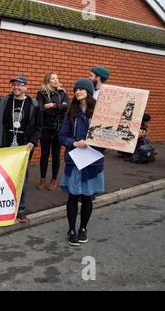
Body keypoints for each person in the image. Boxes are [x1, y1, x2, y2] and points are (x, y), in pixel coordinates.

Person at [59, 79, 105, 246]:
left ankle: (83, 228)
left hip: (93, 161)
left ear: (89, 91)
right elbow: (62, 136)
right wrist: (74, 142)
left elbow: (108, 137)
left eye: (81, 89)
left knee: (87, 197)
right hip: (75, 160)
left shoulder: (100, 113)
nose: (77, 91)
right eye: (76, 89)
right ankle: (71, 229)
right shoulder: (71, 113)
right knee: (73, 196)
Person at [0, 75, 41, 223]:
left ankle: (20, 209)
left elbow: (38, 127)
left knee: (22, 179)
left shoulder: (33, 105)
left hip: (23, 149)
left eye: (20, 85)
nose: (16, 87)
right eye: (14, 85)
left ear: (26, 87)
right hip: (5, 147)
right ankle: (2, 208)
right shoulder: (4, 102)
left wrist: (33, 142)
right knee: (3, 178)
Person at [36, 72, 70, 191]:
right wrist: (59, 106)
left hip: (59, 129)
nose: (56, 80)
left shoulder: (62, 92)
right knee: (44, 155)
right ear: (47, 81)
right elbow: (40, 109)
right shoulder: (42, 93)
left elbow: (67, 107)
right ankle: (42, 179)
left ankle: (54, 179)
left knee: (56, 155)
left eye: (57, 78)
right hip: (46, 128)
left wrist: (53, 105)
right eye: (53, 78)